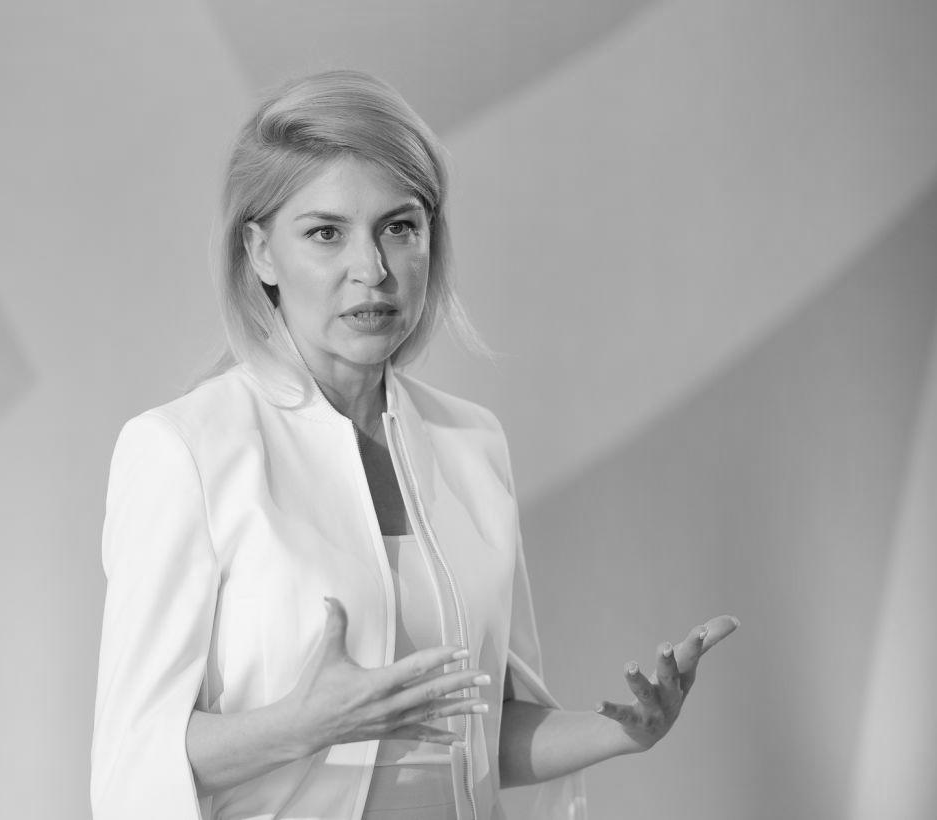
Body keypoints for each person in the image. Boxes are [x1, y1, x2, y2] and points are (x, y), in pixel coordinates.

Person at [90, 69, 738, 820]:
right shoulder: (183, 451)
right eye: (325, 233)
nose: (372, 270)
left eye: (399, 227)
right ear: (260, 252)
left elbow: (478, 729)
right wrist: (304, 725)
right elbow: (134, 754)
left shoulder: (471, 443)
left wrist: (619, 731)